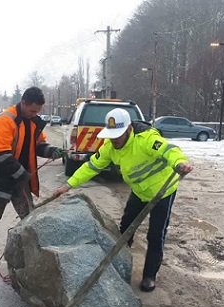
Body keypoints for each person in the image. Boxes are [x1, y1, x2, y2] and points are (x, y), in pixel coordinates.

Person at [53, 108, 193, 292]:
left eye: (118, 135)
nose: (114, 140)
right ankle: (121, 264)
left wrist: (179, 163)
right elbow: (91, 167)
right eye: (112, 136)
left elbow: (170, 151)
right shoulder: (109, 147)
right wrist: (68, 185)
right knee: (125, 229)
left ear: (128, 129)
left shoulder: (146, 139)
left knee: (155, 234)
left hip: (162, 192)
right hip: (139, 191)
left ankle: (149, 275)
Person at [0, 86, 63, 267]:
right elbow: (0, 154)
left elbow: (39, 145)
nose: (34, 114)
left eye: (37, 111)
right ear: (23, 103)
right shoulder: (5, 121)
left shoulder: (32, 122)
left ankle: (34, 252)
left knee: (30, 216)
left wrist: (52, 151)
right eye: (32, 110)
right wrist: (21, 174)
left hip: (19, 180)